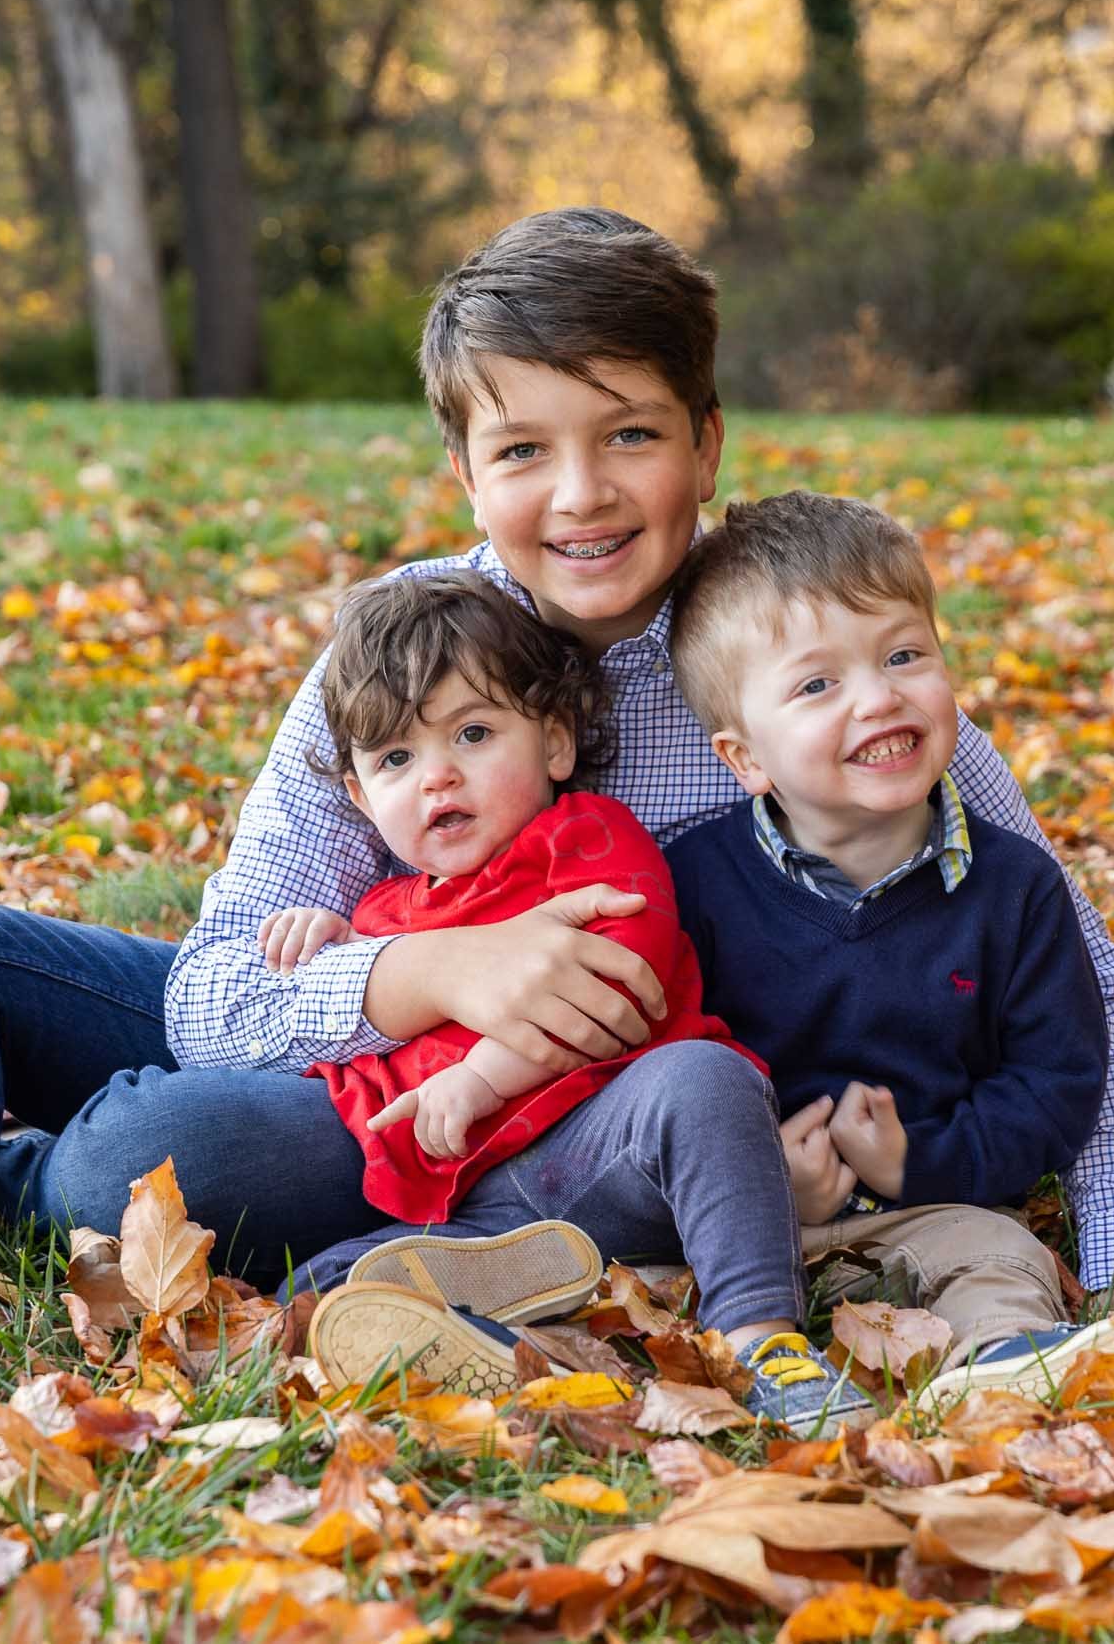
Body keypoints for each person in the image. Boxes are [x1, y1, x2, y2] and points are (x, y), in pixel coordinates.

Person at [0, 206, 1114, 1378]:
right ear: (465, 468)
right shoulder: (405, 646)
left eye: (631, 436)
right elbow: (219, 985)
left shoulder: (804, 665)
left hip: (554, 1126)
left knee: (155, 1153)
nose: (579, 495)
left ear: (710, 441)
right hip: (363, 1022)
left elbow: (1075, 979)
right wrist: (432, 972)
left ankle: (13, 1183)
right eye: (523, 450)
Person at [258, 568, 867, 1428]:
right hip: (484, 1206)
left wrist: (478, 1081)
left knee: (706, 1081)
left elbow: (614, 982)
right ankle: (507, 1334)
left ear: (553, 743)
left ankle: (762, 1335)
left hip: (613, 1146)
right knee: (320, 1290)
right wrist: (332, 945)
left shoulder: (585, 841)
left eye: (472, 734)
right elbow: (352, 1063)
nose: (437, 778)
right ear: (359, 797)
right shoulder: (385, 917)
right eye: (397, 758)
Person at [661, 490, 1114, 1401]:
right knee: (646, 1277)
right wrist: (767, 1176)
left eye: (903, 655)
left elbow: (1056, 1084)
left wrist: (912, 1162)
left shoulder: (1012, 889)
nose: (879, 696)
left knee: (1003, 1258)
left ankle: (1002, 1370)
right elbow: (658, 1072)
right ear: (746, 759)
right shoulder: (696, 886)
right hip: (741, 1224)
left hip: (935, 1206)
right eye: (818, 684)